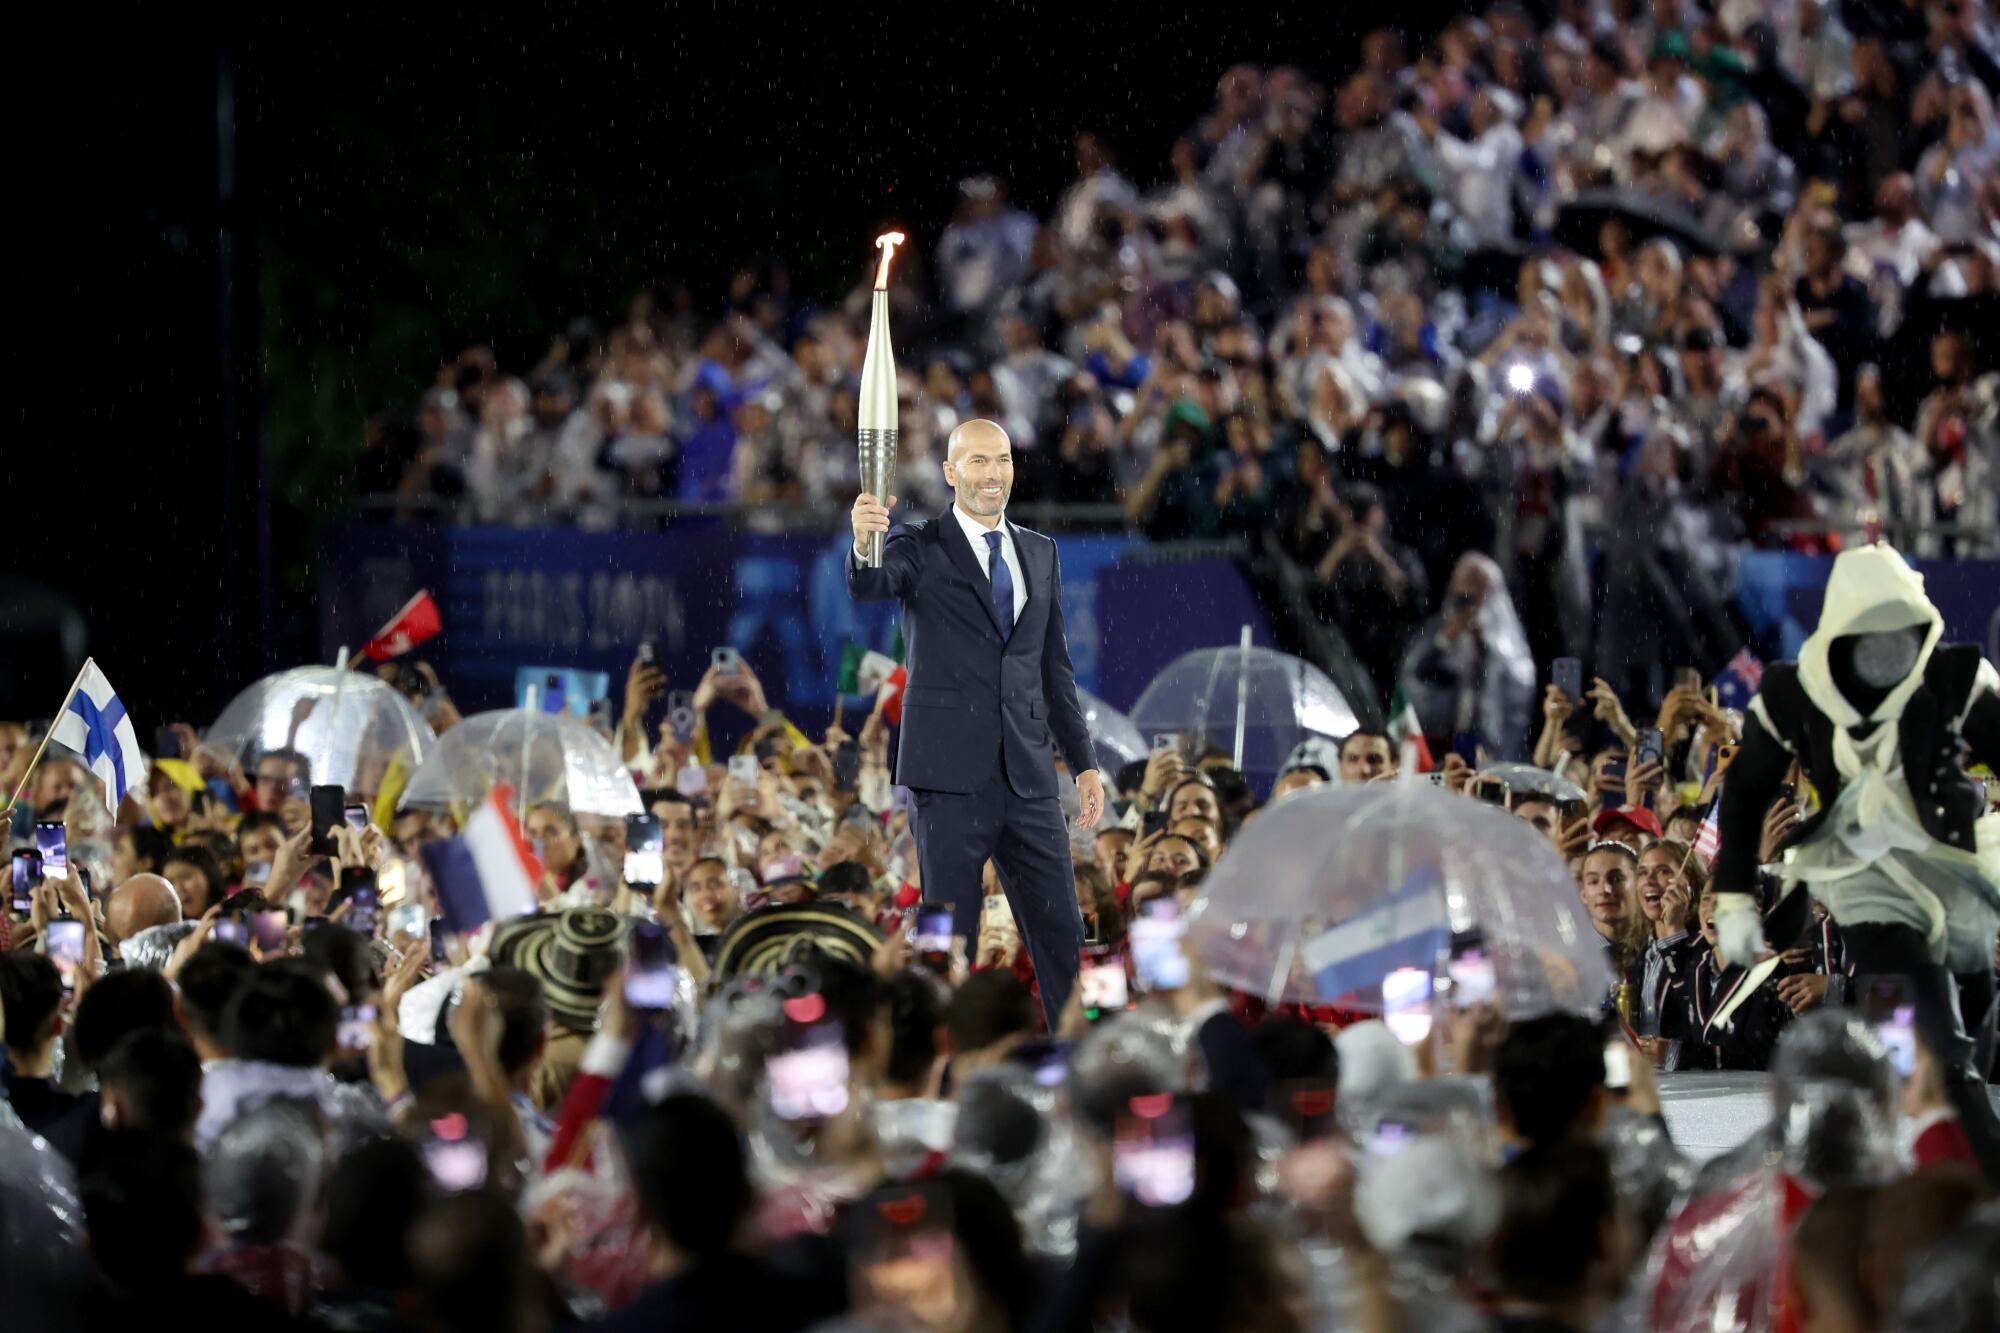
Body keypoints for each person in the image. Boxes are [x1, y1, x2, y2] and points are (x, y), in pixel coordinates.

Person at [1709, 544, 2000, 1176]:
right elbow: (1746, 791)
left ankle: (1936, 1149)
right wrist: (1733, 892)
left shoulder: (1953, 678)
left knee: (1975, 1011)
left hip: (1956, 865)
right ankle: (1980, 1186)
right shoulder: (1793, 693)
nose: (1888, 658)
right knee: (1936, 1045)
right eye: (1870, 642)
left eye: (1900, 639)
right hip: (1863, 880)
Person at [848, 418, 1103, 1024]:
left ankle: (1083, 1058)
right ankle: (940, 1064)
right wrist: (863, 543)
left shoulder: (1040, 552)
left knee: (1063, 931)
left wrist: (1086, 763)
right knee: (948, 938)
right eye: (979, 462)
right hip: (948, 778)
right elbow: (872, 582)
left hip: (1030, 778)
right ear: (950, 472)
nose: (993, 475)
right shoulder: (918, 544)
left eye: (1003, 460)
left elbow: (1053, 667)